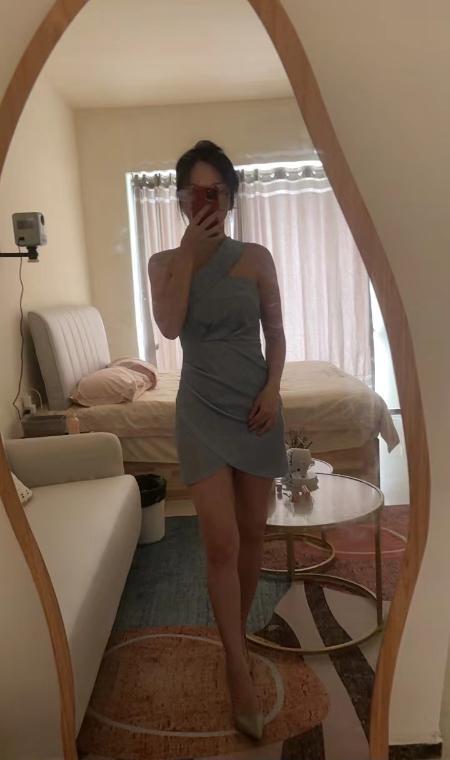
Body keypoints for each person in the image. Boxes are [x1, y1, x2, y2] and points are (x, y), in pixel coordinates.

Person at [148, 140, 288, 740]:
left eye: (216, 191)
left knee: (253, 534)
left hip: (256, 409)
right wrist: (188, 255)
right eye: (195, 193)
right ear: (181, 200)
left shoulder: (256, 258)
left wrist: (274, 388)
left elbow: (276, 332)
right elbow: (169, 326)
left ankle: (237, 636)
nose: (206, 202)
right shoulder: (164, 262)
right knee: (221, 543)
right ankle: (236, 666)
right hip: (200, 411)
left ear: (230, 196)